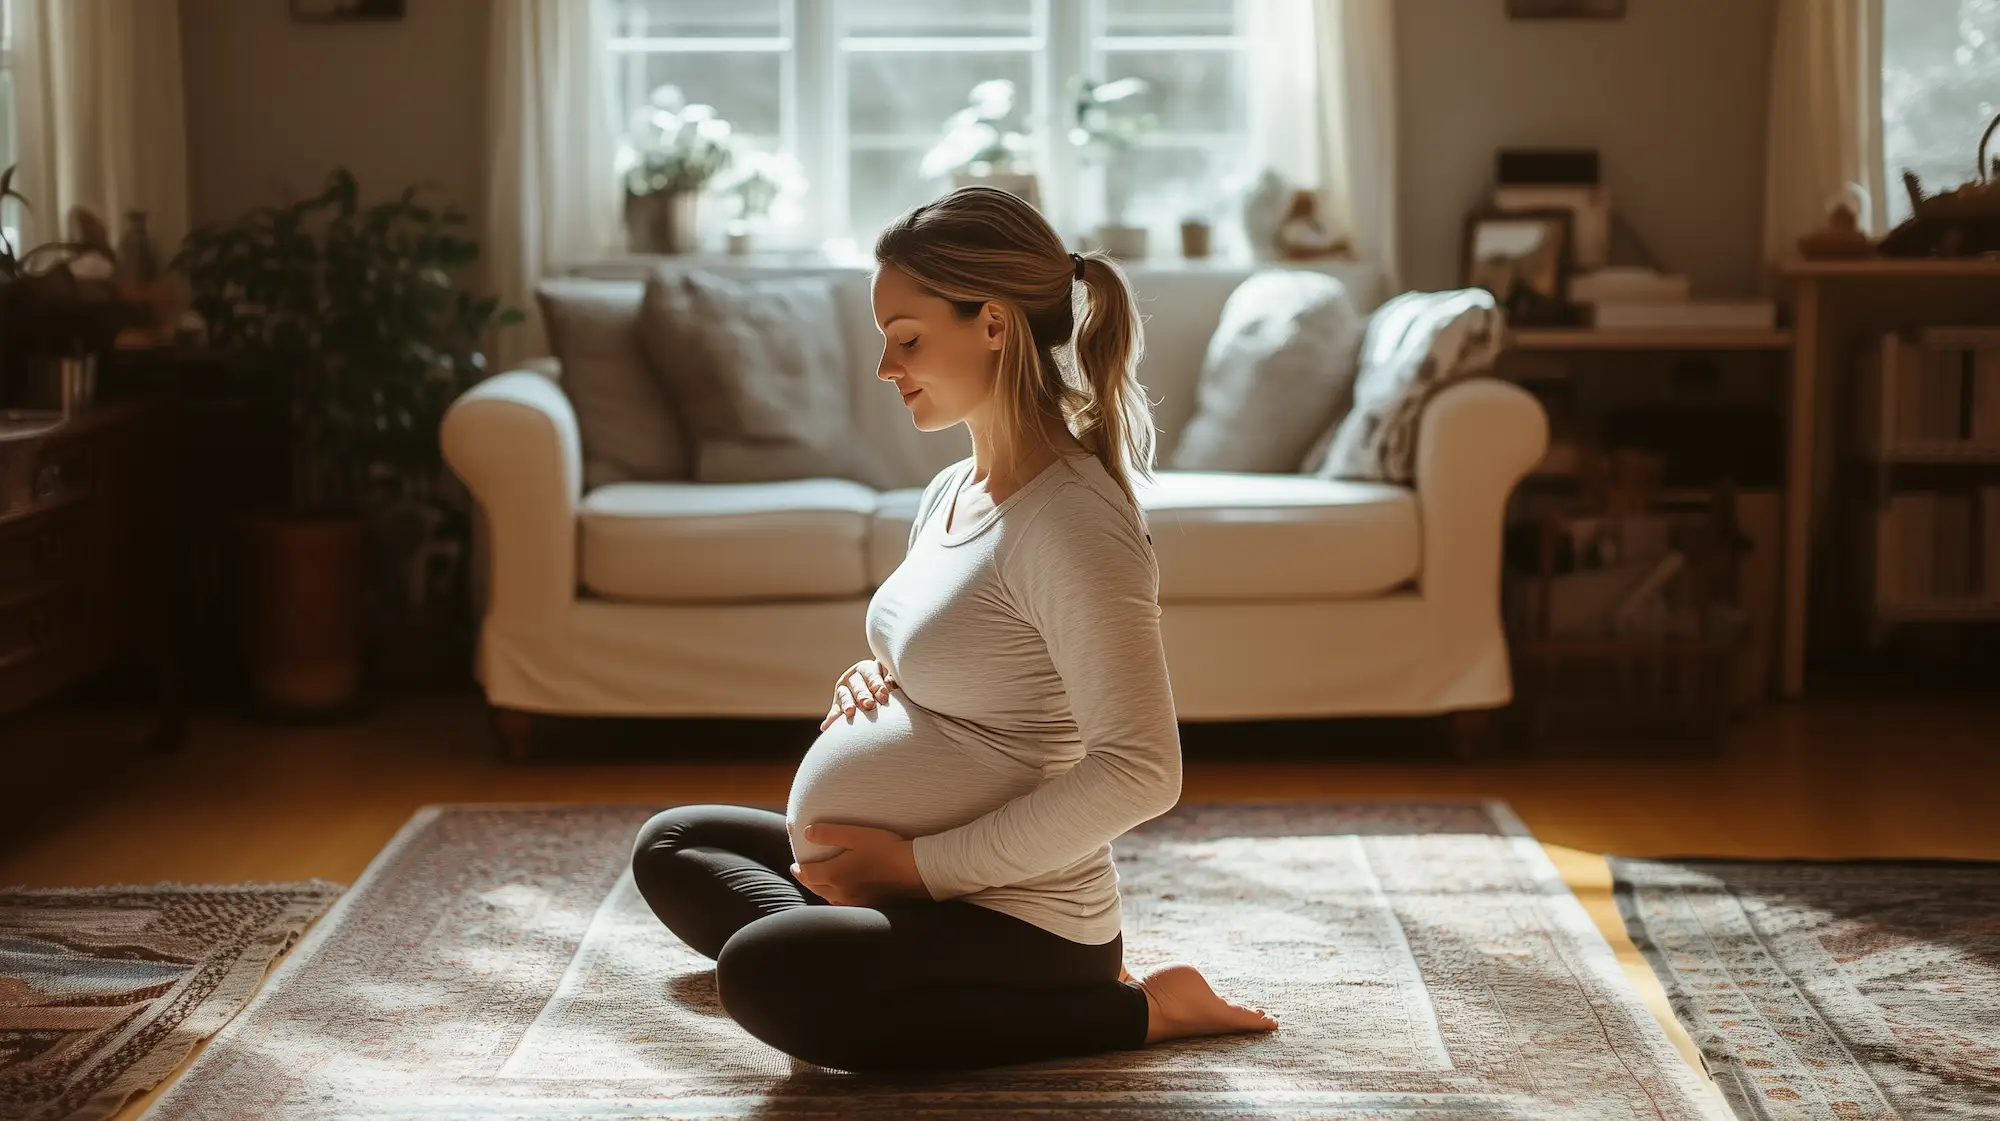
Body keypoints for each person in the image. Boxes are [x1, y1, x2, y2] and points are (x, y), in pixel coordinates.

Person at [631, 187, 1277, 1074]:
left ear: (996, 326)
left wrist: (914, 867)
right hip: (913, 891)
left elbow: (1142, 769)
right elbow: (965, 653)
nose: (885, 367)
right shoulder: (952, 491)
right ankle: (887, 966)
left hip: (1018, 917)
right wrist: (874, 674)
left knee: (764, 975)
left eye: (907, 337)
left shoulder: (1075, 523)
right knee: (672, 844)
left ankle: (1128, 1008)